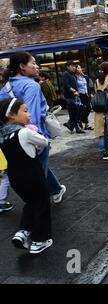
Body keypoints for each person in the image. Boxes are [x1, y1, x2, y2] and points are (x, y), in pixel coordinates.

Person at [0, 52, 66, 204]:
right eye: (33, 63)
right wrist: (36, 139)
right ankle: (36, 209)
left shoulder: (6, 87)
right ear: (22, 67)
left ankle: (56, 189)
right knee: (36, 176)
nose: (37, 67)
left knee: (40, 167)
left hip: (11, 138)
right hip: (31, 136)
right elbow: (32, 115)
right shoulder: (31, 85)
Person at [0, 98, 53, 254]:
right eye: (25, 111)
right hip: (32, 176)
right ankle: (39, 240)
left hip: (15, 178)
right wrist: (33, 134)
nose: (29, 114)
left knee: (31, 203)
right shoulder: (24, 132)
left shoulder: (2, 135)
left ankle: (23, 232)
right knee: (42, 204)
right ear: (11, 115)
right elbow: (44, 141)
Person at [62, 61, 85, 134]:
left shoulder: (73, 74)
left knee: (76, 112)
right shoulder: (66, 74)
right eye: (72, 66)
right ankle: (75, 126)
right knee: (74, 113)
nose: (74, 67)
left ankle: (71, 124)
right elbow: (66, 85)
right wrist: (73, 91)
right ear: (68, 67)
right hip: (69, 96)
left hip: (75, 96)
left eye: (74, 66)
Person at [75, 65, 93, 131]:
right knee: (84, 109)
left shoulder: (84, 77)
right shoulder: (75, 77)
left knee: (89, 108)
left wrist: (90, 93)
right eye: (78, 68)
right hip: (80, 95)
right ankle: (86, 124)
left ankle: (81, 120)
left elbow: (87, 85)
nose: (80, 69)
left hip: (85, 94)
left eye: (80, 67)